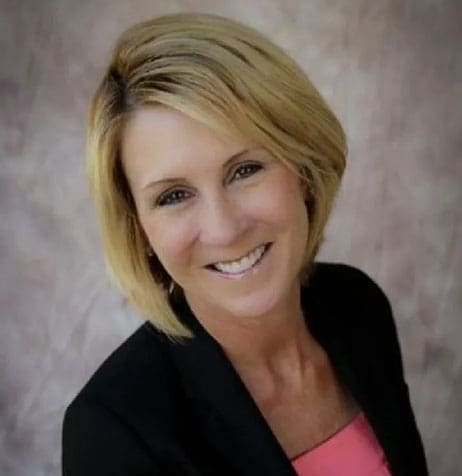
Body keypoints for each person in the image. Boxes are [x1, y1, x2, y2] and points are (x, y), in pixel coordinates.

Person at [61, 12, 428, 476]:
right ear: (139, 229)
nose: (224, 229)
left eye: (245, 170)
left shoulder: (359, 308)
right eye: (173, 196)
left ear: (303, 166)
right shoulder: (114, 432)